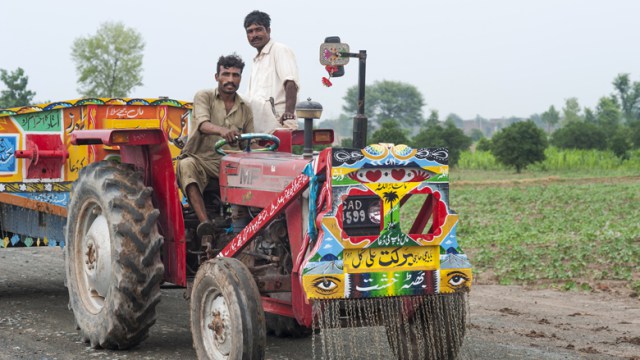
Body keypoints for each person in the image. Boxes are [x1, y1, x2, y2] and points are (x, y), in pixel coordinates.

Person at [176, 54, 253, 237]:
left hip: (233, 163)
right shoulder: (205, 97)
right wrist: (222, 131)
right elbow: (202, 124)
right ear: (216, 77)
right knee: (186, 165)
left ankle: (250, 225)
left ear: (240, 78)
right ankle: (205, 224)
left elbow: (251, 142)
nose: (230, 80)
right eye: (226, 74)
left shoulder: (245, 107)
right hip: (203, 160)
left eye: (235, 75)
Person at [244, 10, 300, 134]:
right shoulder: (256, 60)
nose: (254, 35)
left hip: (279, 125)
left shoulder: (280, 50)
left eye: (258, 29)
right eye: (250, 31)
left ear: (268, 30)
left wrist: (289, 113)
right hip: (259, 128)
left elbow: (290, 82)